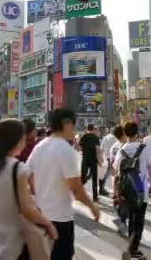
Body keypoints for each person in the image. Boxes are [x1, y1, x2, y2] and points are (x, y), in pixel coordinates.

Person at [27, 108, 99, 260]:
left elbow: (28, 177)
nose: (74, 129)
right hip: (60, 220)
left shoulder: (39, 146)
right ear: (66, 123)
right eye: (74, 124)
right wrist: (92, 207)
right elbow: (76, 189)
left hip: (40, 217)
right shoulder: (65, 150)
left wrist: (40, 194)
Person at [0, 119, 58, 259]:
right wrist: (48, 223)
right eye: (24, 138)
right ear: (17, 140)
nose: (25, 141)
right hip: (13, 242)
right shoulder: (19, 168)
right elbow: (27, 209)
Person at [113, 121, 151, 259]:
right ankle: (131, 250)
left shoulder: (121, 151)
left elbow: (117, 174)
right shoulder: (144, 148)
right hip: (140, 190)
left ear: (125, 133)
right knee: (138, 222)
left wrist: (116, 193)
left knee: (132, 218)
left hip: (126, 190)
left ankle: (133, 249)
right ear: (137, 132)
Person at [79, 124, 102, 201]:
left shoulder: (83, 136)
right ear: (93, 129)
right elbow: (97, 149)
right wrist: (99, 160)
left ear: (87, 129)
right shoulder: (96, 137)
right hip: (93, 159)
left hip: (85, 159)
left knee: (83, 177)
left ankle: (78, 194)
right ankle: (95, 197)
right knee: (94, 178)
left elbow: (80, 146)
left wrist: (84, 151)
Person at [99, 126, 119, 196]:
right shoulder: (117, 138)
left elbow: (101, 148)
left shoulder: (105, 137)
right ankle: (104, 189)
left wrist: (100, 157)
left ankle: (102, 188)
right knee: (114, 175)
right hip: (114, 159)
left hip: (106, 158)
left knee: (107, 174)